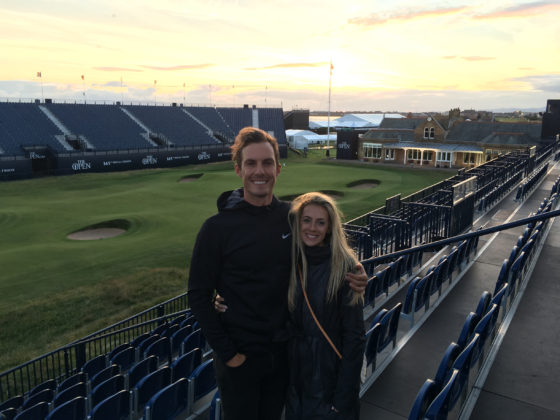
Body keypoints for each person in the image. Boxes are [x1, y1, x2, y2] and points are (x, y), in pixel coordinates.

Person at [188, 127, 366, 420]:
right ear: (238, 169)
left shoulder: (291, 217)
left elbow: (324, 251)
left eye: (267, 163)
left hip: (284, 355)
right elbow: (197, 294)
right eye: (251, 163)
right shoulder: (216, 228)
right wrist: (229, 354)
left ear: (278, 168)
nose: (260, 171)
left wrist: (358, 272)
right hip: (240, 359)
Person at [285, 192, 365, 420]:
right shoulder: (292, 260)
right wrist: (223, 299)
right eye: (307, 220)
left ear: (330, 227)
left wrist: (342, 399)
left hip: (329, 384)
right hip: (296, 382)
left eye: (321, 222)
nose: (312, 228)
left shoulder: (346, 267)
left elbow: (355, 337)